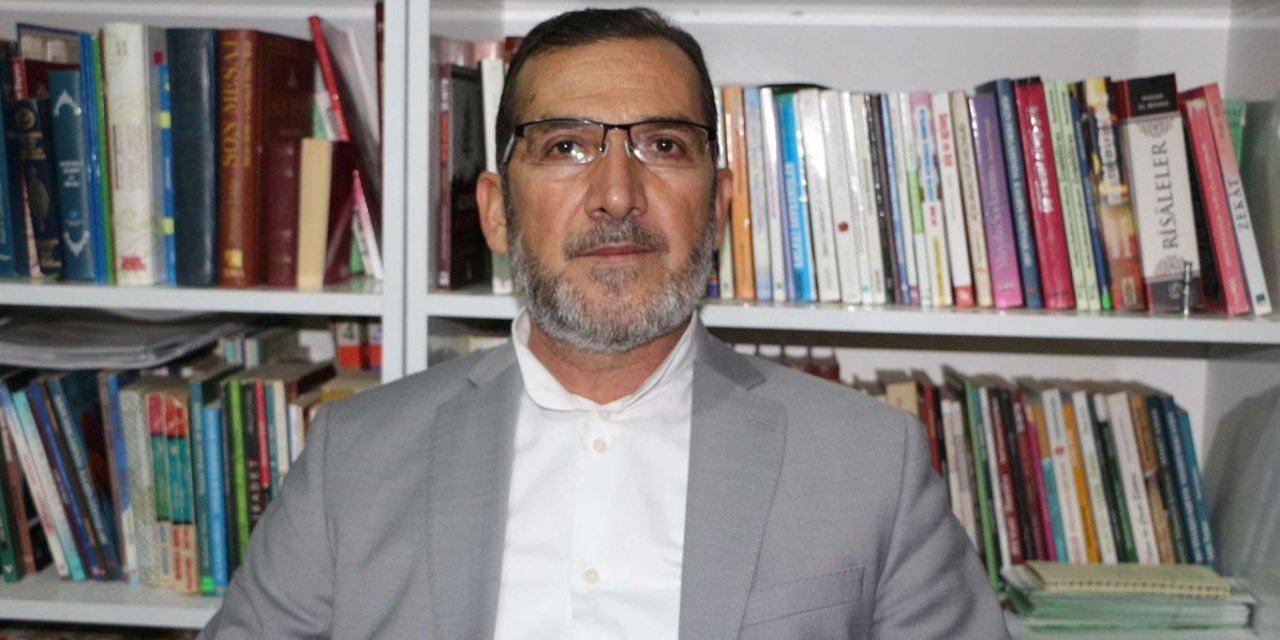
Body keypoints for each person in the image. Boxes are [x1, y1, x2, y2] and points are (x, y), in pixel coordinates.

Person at [201, 7, 1008, 639]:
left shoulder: (871, 463)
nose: (617, 194)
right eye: (565, 147)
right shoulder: (353, 459)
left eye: (663, 144)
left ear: (717, 207)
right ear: (496, 213)